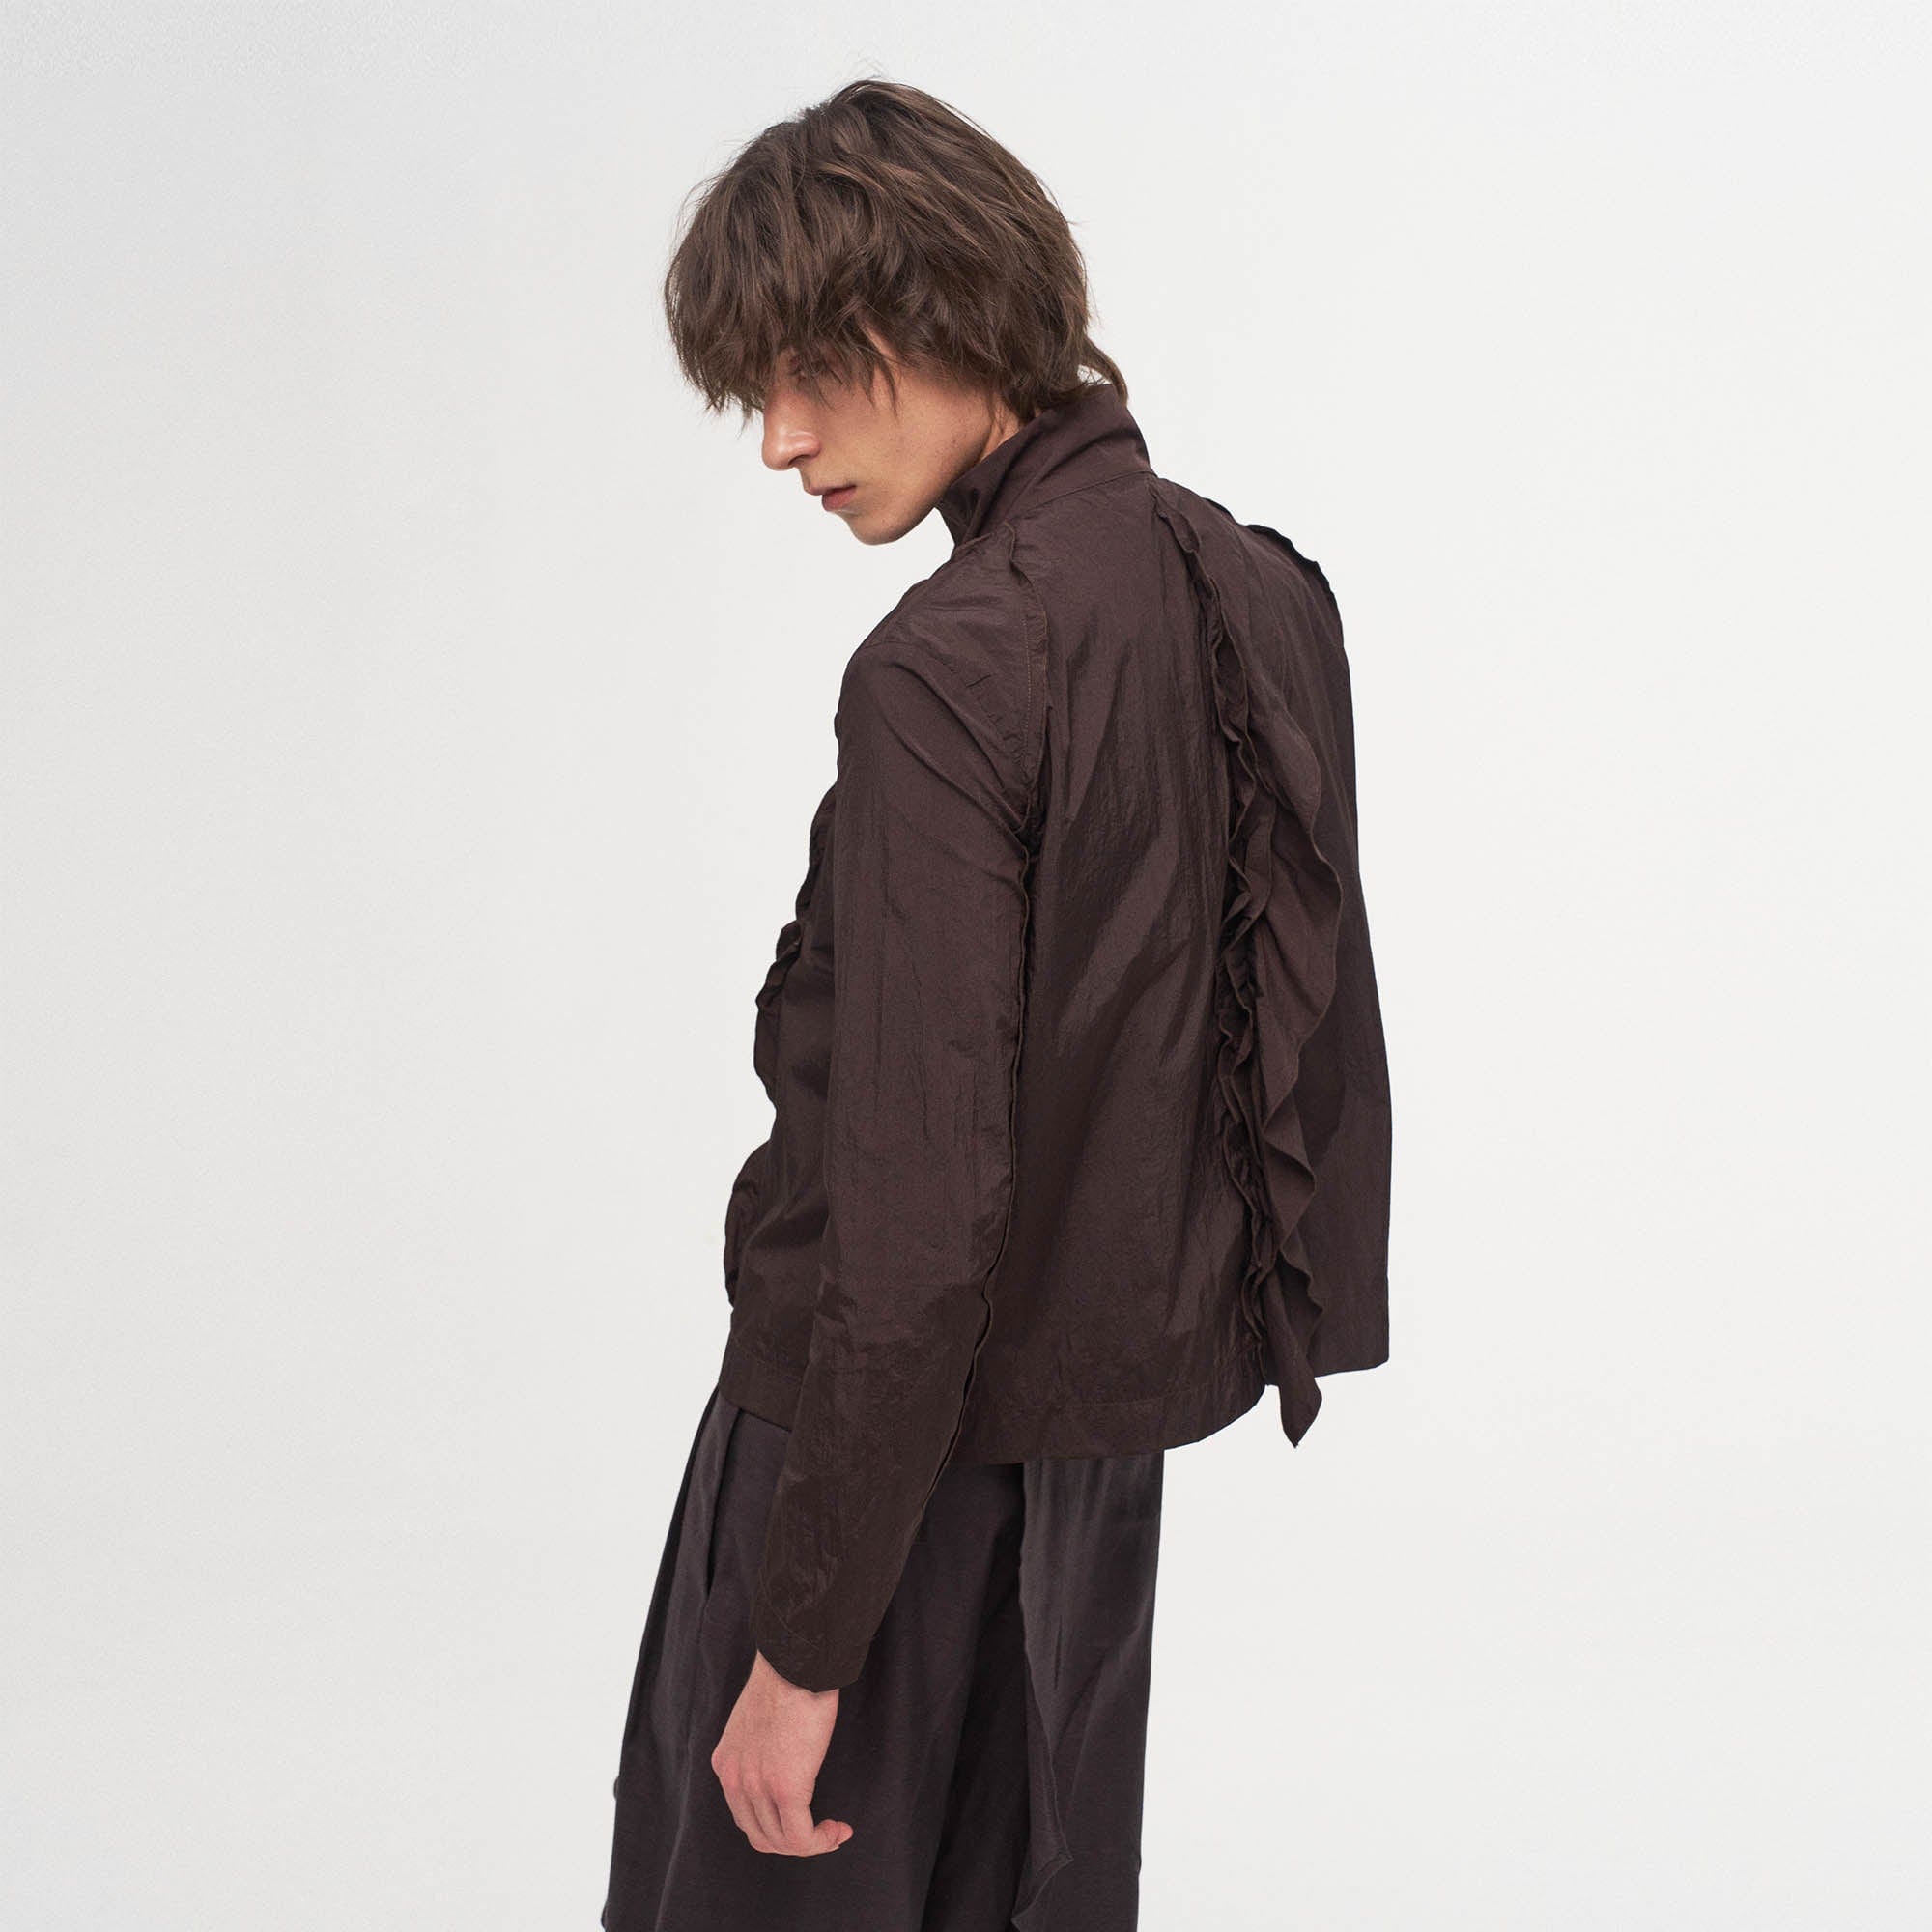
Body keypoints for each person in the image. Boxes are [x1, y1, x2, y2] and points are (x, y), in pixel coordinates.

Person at [603, 77, 1392, 1932]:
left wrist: (804, 1644)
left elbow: (917, 1214)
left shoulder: (945, 673)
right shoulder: (1261, 591)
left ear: (954, 310)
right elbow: (1302, 1064)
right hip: (1087, 1484)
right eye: (756, 391)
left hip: (866, 1472)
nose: (781, 440)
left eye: (815, 369)